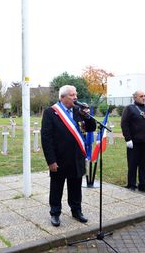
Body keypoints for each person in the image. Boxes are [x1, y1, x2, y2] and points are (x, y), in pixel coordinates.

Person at [41, 85, 96, 227]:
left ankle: (76, 211)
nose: (75, 97)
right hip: (59, 158)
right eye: (72, 95)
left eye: (75, 94)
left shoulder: (79, 111)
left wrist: (88, 117)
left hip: (77, 157)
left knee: (76, 187)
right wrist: (51, 161)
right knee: (56, 187)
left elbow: (91, 128)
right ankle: (55, 213)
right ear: (62, 97)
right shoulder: (51, 112)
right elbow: (46, 138)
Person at [121, 90, 145, 193]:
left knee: (144, 165)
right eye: (141, 96)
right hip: (133, 142)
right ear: (135, 97)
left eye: (144, 96)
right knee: (132, 164)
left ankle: (143, 185)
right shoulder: (129, 108)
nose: (144, 98)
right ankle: (131, 184)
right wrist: (128, 139)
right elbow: (124, 124)